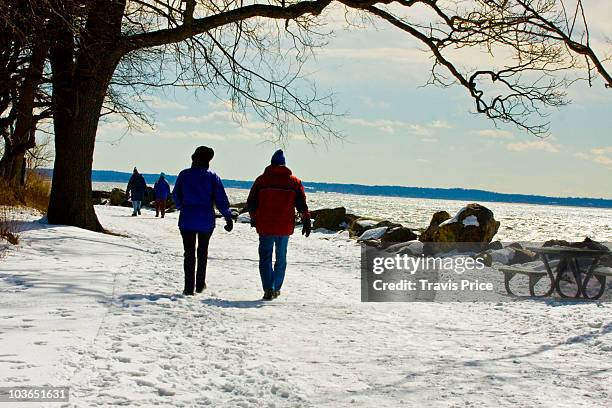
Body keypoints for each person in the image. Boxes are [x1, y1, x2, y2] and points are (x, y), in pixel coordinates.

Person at [247, 149, 311, 301]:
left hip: (265, 226)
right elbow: (301, 204)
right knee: (281, 258)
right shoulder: (294, 182)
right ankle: (276, 288)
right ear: (284, 164)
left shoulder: (261, 181)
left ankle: (268, 288)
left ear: (271, 163)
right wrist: (306, 219)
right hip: (284, 226)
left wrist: (254, 217)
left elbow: (251, 203)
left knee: (265, 257)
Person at [172, 146, 233, 296]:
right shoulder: (212, 177)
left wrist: (182, 206)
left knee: (189, 253)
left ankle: (188, 287)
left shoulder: (184, 175)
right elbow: (221, 199)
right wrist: (227, 216)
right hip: (205, 218)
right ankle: (199, 284)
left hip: (187, 218)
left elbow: (176, 195)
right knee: (202, 252)